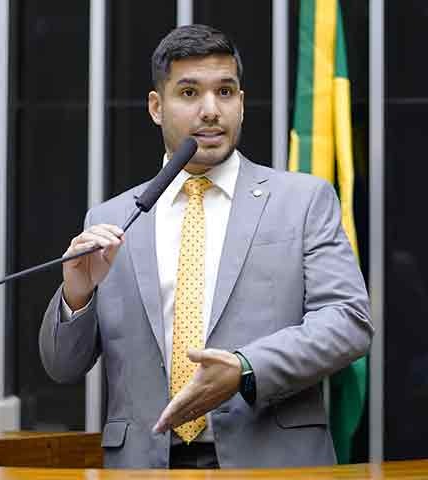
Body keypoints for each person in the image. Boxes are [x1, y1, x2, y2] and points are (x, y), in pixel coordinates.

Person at [39, 24, 373, 469]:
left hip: (272, 462)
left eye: (225, 92)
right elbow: (62, 366)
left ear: (241, 103)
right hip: (145, 465)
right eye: (189, 93)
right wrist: (76, 296)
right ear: (157, 107)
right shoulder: (113, 219)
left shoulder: (302, 201)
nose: (211, 110)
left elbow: (348, 322)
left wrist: (246, 368)